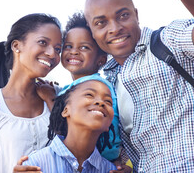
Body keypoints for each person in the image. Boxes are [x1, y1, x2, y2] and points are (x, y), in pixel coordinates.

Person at [84, 0, 194, 172]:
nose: (114, 28)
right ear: (92, 31)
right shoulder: (106, 84)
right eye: (101, 23)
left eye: (123, 15)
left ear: (136, 15)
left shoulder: (168, 41)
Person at [14, 13, 130, 173]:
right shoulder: (75, 87)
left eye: (84, 47)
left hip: (95, 159)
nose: (74, 52)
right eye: (68, 46)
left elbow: (66, 125)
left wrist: (50, 98)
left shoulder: (99, 87)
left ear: (101, 60)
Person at [0, 13, 62, 173]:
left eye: (58, 49)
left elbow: (78, 151)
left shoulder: (59, 95)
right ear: (16, 45)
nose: (52, 53)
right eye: (42, 42)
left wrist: (53, 101)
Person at [22, 74, 118, 172]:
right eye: (89, 95)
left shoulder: (110, 170)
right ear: (65, 110)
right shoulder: (35, 164)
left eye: (108, 101)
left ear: (109, 124)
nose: (100, 102)